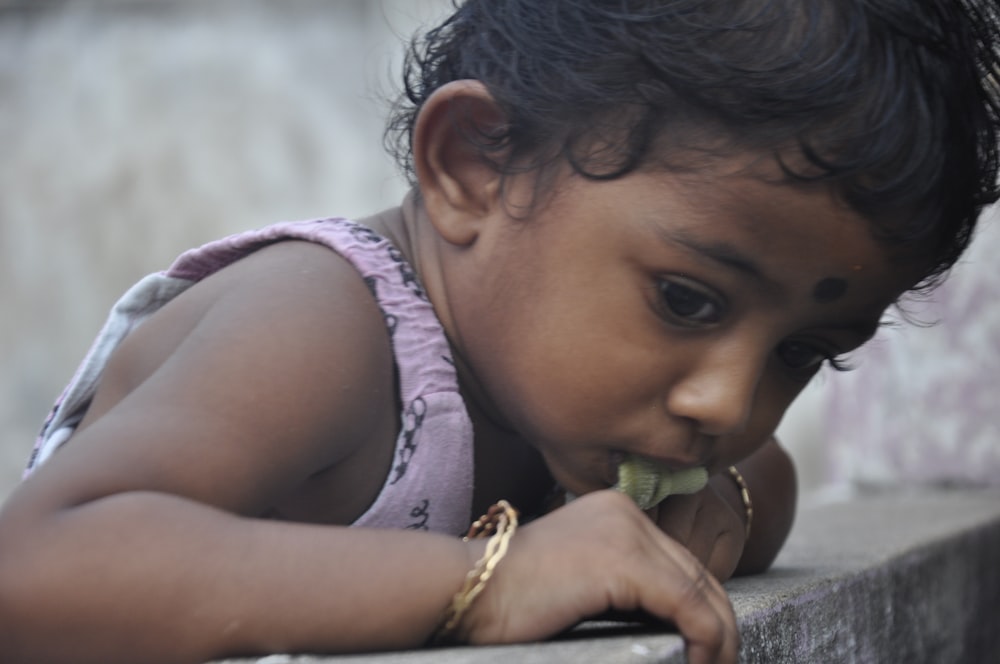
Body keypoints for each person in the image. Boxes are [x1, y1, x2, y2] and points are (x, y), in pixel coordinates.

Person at [0, 1, 997, 663]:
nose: (724, 402)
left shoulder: (567, 398)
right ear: (475, 166)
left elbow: (759, 480)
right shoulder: (323, 326)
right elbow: (37, 573)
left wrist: (731, 498)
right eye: (687, 300)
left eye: (799, 353)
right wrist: (483, 583)